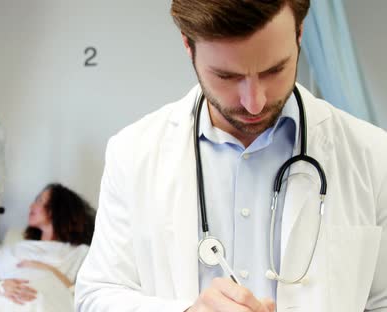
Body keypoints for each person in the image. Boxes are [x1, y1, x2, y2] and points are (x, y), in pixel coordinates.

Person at [75, 1, 387, 312]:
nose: (254, 102)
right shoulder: (132, 153)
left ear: (300, 34)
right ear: (188, 44)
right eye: (227, 76)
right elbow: (95, 296)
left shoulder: (373, 155)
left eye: (274, 70)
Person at [0, 183, 95, 312]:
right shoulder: (14, 249)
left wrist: (48, 269)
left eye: (40, 201)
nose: (31, 206)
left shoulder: (80, 253)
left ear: (59, 210)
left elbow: (85, 299)